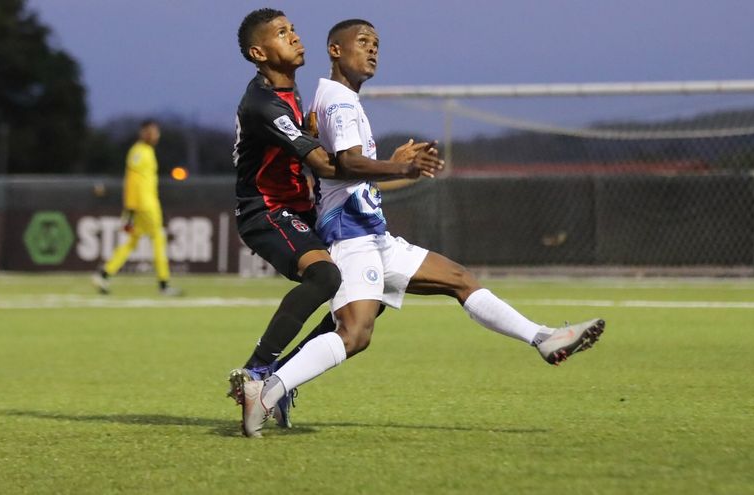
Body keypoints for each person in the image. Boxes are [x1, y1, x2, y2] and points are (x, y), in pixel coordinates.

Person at [238, 19, 606, 437]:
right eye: (363, 41)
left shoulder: (337, 99)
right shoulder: (338, 100)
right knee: (355, 333)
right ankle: (267, 390)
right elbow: (345, 163)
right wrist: (401, 167)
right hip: (351, 236)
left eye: (377, 44)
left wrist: (396, 169)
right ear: (335, 50)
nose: (372, 50)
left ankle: (543, 338)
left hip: (374, 235)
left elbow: (345, 170)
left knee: (459, 279)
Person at [227, 9, 443, 431]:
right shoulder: (263, 104)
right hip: (265, 211)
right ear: (258, 53)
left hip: (299, 210)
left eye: (292, 29)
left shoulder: (289, 93)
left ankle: (280, 379)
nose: (294, 37)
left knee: (367, 295)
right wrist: (397, 166)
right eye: (281, 33)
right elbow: (328, 166)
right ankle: (257, 370)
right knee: (325, 277)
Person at [92, 119, 182, 296]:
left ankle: (104, 274)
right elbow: (133, 181)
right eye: (153, 132)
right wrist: (131, 208)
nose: (156, 135)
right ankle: (164, 285)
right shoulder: (140, 152)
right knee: (158, 239)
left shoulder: (143, 151)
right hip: (145, 205)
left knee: (131, 242)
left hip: (141, 204)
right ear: (145, 133)